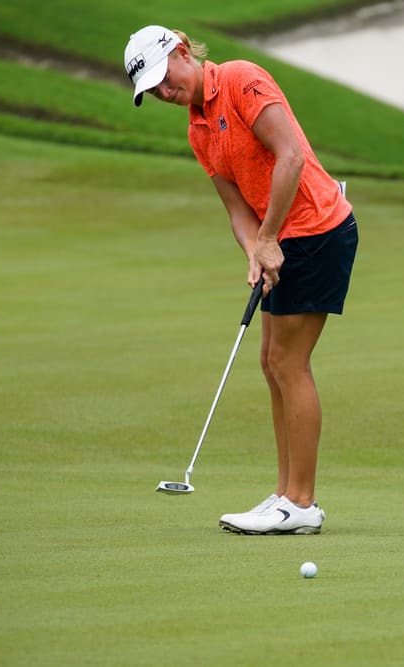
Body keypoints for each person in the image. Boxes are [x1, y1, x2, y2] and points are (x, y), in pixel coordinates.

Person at [124, 26, 358, 535]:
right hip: (282, 237)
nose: (165, 93)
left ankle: (302, 502)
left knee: (288, 361)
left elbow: (291, 155)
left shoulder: (241, 80)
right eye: (154, 91)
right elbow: (235, 209)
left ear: (182, 54)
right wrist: (255, 251)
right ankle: (283, 495)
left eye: (164, 79)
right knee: (270, 362)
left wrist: (269, 237)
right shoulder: (198, 130)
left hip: (318, 228)